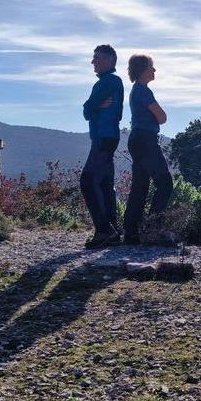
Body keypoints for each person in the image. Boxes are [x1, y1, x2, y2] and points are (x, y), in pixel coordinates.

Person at [122, 54, 173, 245]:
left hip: (137, 139)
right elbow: (162, 117)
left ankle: (131, 232)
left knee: (140, 188)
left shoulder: (136, 90)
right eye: (152, 67)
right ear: (143, 70)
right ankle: (152, 228)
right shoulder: (144, 91)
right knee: (165, 183)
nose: (154, 70)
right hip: (146, 139)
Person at [80, 44, 124, 248]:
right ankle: (112, 230)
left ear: (109, 60)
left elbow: (87, 109)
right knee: (105, 185)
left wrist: (92, 106)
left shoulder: (109, 82)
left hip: (103, 138)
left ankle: (104, 230)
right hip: (109, 137)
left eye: (96, 57)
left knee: (88, 181)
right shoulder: (111, 82)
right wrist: (93, 106)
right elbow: (89, 109)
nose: (93, 62)